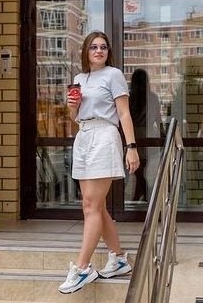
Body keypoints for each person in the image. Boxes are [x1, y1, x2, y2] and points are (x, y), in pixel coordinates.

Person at [58, 31, 140, 294]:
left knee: (90, 206)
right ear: (86, 51)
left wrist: (131, 147)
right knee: (97, 206)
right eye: (93, 47)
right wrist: (72, 106)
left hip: (105, 135)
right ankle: (119, 259)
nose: (99, 51)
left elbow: (124, 113)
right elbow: (75, 117)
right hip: (84, 135)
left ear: (108, 52)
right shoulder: (79, 79)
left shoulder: (113, 75)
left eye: (103, 47)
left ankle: (83, 268)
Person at [129, 69, 162, 201]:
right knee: (140, 170)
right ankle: (144, 197)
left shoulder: (130, 98)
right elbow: (158, 119)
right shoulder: (153, 97)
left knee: (138, 171)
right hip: (148, 135)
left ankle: (143, 197)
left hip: (133, 136)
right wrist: (162, 134)